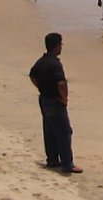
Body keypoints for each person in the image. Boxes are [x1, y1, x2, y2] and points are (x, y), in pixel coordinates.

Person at [29, 33, 82, 174]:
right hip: (55, 100)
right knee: (64, 132)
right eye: (60, 44)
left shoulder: (41, 61)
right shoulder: (55, 63)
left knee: (50, 130)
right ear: (56, 46)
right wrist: (64, 98)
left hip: (44, 98)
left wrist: (41, 88)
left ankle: (52, 160)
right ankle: (67, 164)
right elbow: (61, 83)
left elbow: (32, 75)